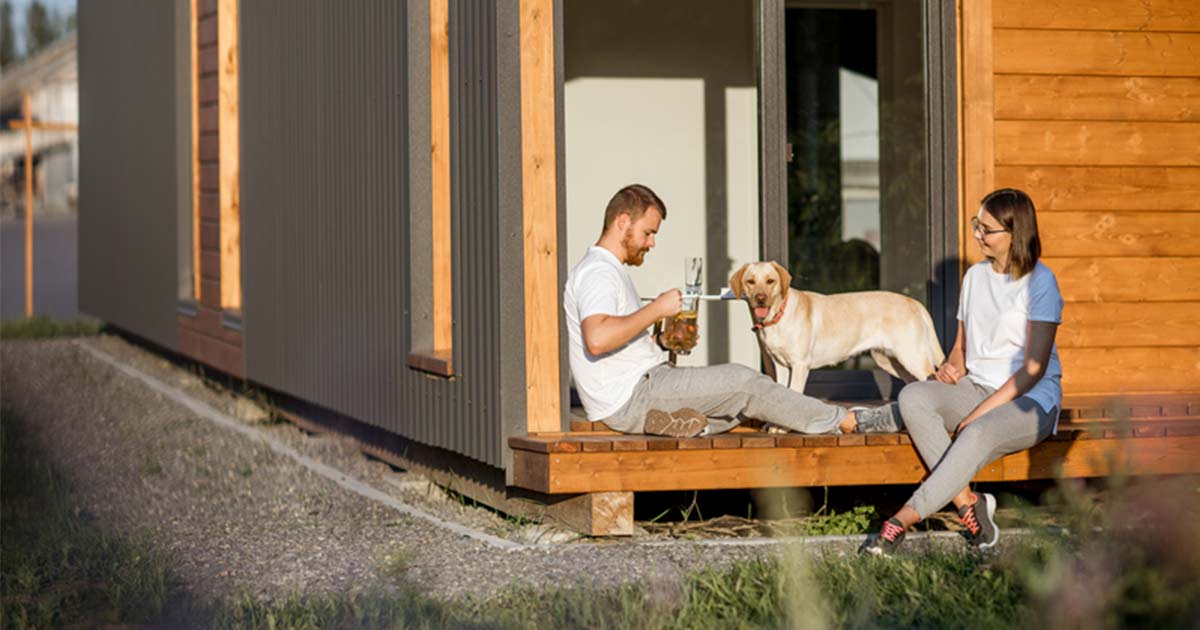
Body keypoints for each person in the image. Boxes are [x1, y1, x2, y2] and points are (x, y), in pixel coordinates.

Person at [563, 184, 891, 438]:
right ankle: (851, 421)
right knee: (744, 382)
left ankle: (683, 424)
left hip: (644, 386)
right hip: (634, 396)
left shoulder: (609, 270)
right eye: (648, 233)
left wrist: (662, 341)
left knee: (749, 407)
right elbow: (597, 338)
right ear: (623, 222)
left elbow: (611, 338)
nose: (652, 243)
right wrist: (657, 309)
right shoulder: (598, 273)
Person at [863, 188, 1064, 555]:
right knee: (914, 396)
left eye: (986, 229)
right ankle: (968, 503)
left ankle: (901, 521)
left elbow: (1033, 371)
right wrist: (952, 369)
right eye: (977, 226)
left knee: (976, 432)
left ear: (1014, 233)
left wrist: (976, 415)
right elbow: (962, 348)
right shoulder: (975, 277)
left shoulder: (1041, 283)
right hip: (978, 387)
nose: (977, 235)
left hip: (1031, 399)